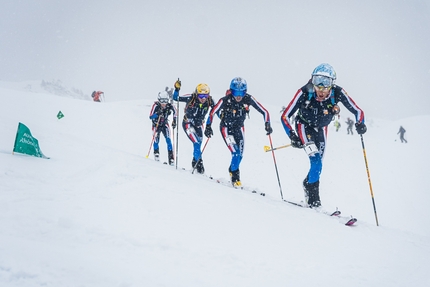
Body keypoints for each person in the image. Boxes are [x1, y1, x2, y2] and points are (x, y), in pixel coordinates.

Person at [281, 63, 366, 208]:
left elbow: (358, 111)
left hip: (321, 129)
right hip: (303, 126)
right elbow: (285, 116)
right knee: (316, 161)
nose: (321, 89)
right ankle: (314, 201)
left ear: (332, 84)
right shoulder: (304, 92)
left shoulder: (338, 92)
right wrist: (292, 136)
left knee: (318, 165)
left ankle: (308, 184)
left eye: (326, 84)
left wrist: (360, 123)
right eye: (317, 82)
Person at [205, 77, 272, 187]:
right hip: (226, 128)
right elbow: (212, 112)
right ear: (231, 91)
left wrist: (267, 123)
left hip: (239, 128)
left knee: (240, 155)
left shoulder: (248, 99)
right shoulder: (225, 99)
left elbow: (264, 111)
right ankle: (235, 177)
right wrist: (208, 126)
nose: (238, 96)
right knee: (235, 153)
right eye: (236, 92)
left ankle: (232, 169)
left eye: (242, 92)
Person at [172, 80, 215, 173]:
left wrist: (209, 125)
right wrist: (176, 89)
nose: (203, 98)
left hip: (199, 125)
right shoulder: (190, 98)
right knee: (196, 143)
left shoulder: (210, 101)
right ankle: (199, 165)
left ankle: (194, 163)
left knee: (198, 144)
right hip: (188, 123)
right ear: (196, 94)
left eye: (205, 96)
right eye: (201, 96)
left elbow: (216, 110)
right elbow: (176, 98)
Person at [149, 91, 177, 165]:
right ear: (159, 100)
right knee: (156, 140)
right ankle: (156, 154)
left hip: (164, 124)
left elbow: (175, 112)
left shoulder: (169, 105)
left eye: (165, 101)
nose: (164, 103)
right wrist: (157, 113)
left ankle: (171, 158)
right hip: (156, 125)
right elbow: (151, 116)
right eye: (162, 101)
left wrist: (174, 120)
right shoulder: (155, 105)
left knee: (168, 140)